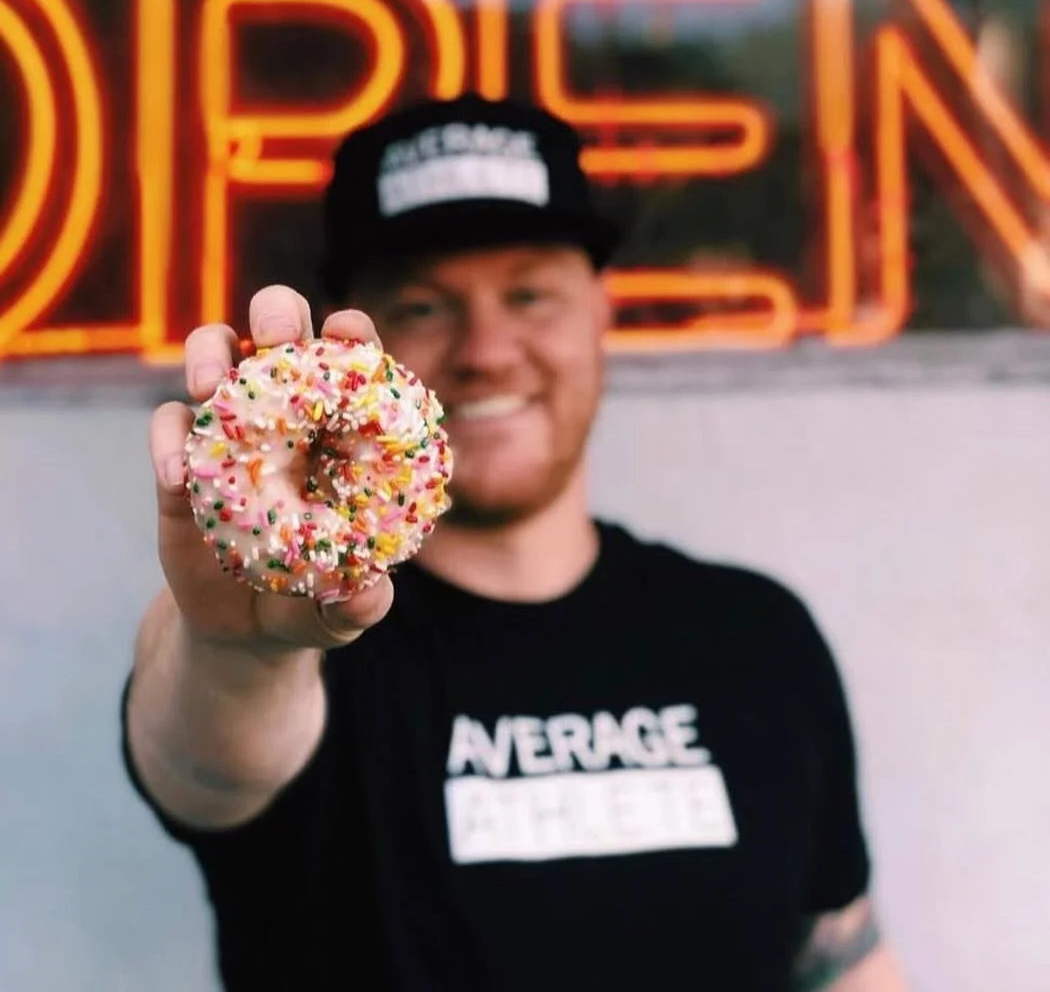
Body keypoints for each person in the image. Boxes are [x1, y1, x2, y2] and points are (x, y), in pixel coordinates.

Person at [121, 94, 911, 991]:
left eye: (529, 292)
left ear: (599, 313)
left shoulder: (757, 636)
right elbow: (206, 760)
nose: (488, 350)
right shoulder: (306, 635)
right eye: (424, 305)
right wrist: (240, 651)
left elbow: (843, 958)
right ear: (357, 340)